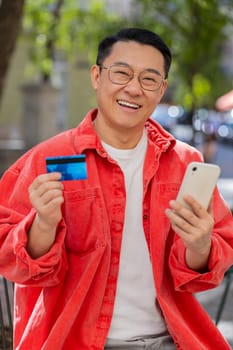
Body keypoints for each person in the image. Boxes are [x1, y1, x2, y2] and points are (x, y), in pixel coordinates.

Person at [0, 28, 233, 350]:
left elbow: (204, 272)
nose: (134, 89)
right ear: (97, 76)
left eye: (149, 79)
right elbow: (14, 264)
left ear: (162, 89)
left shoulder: (184, 162)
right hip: (71, 341)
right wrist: (42, 225)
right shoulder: (46, 158)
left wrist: (200, 244)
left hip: (172, 340)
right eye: (121, 73)